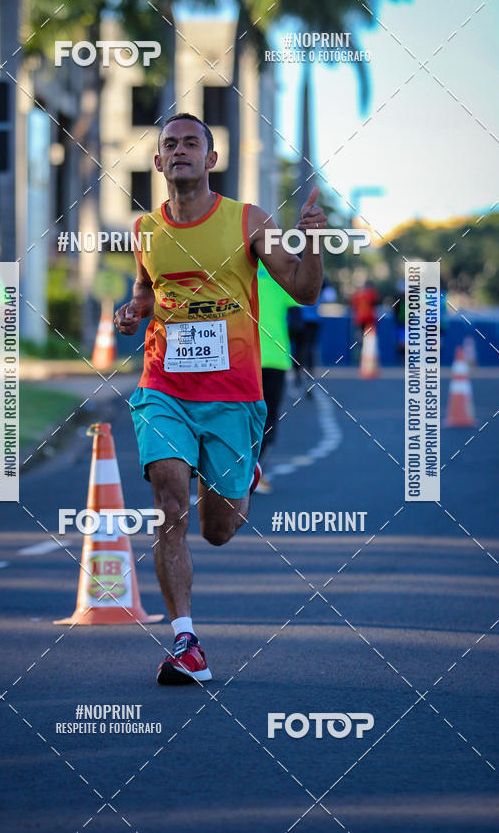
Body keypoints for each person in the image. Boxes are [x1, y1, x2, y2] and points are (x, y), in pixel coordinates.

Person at [114, 113, 326, 685]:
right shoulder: (145, 231)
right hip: (164, 389)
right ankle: (186, 642)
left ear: (211, 159)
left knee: (218, 529)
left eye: (191, 143)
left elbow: (305, 291)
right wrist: (134, 311)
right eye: (169, 145)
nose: (179, 151)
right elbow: (144, 290)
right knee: (170, 501)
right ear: (157, 162)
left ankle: (242, 471)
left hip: (233, 397)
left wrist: (312, 241)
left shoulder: (249, 221)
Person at [256, 264, 299, 494]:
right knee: (269, 418)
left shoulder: (237, 265)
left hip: (240, 357)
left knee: (238, 416)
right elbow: (298, 316)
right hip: (274, 357)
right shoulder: (279, 267)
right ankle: (257, 472)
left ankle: (233, 473)